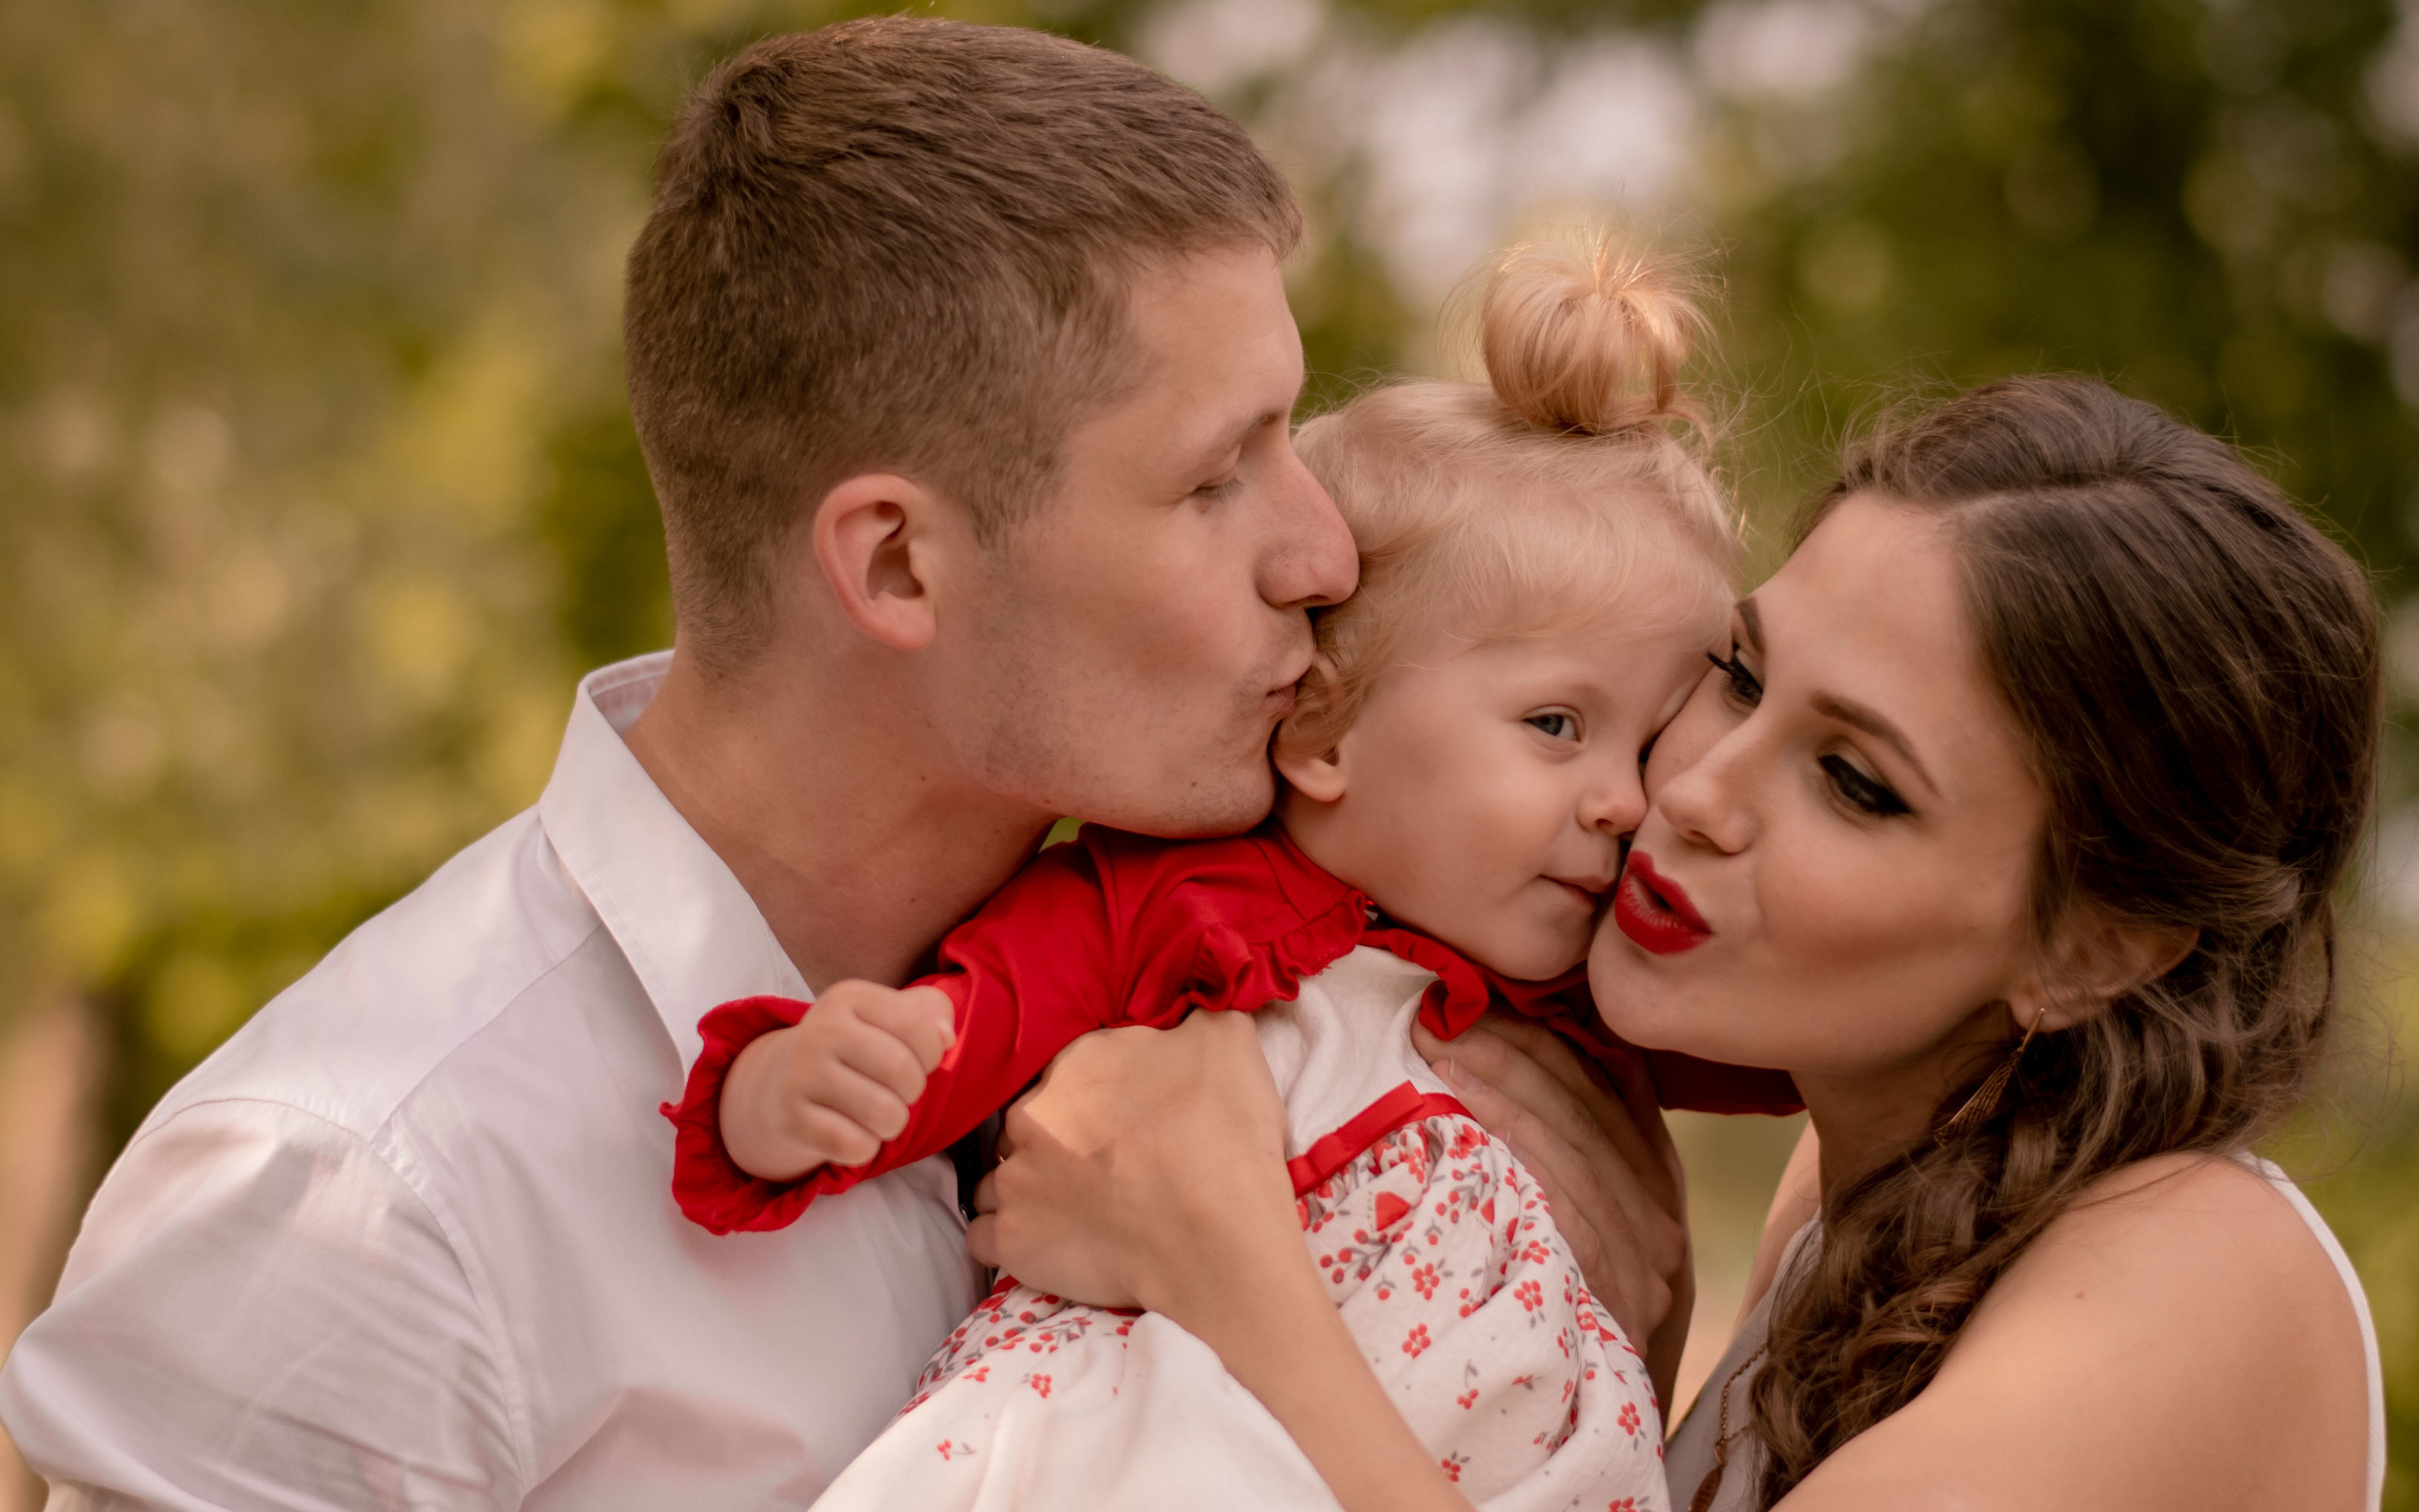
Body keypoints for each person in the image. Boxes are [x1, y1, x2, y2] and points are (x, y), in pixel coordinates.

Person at [0, 16, 1456, 1510]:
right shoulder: (365, 1202)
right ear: (895, 566)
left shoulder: (1296, 1017)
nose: (1324, 553)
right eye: (1216, 479)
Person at [967, 376, 2386, 1512]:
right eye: (1742, 675)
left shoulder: (2200, 1264)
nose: (1692, 791)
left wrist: (1226, 1266)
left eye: (1855, 782)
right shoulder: (1852, 1200)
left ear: (2093, 950)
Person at [669, 235, 1799, 1512]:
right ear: (1324, 728)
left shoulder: (1596, 975)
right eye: (1555, 724)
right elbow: (962, 1026)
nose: (1623, 797)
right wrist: (787, 1091)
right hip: (1167, 1453)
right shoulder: (1179, 898)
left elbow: (1829, 1041)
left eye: (1653, 742)